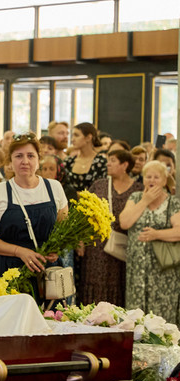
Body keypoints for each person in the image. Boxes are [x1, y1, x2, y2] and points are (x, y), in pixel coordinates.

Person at [0, 133, 68, 301]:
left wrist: (57, 249)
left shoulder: (54, 188)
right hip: (9, 271)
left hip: (47, 271)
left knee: (50, 322)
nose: (25, 161)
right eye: (19, 156)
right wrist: (19, 251)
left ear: (38, 159)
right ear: (10, 161)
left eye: (30, 155)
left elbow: (63, 230)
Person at [78, 150, 143, 307]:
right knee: (95, 283)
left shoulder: (139, 189)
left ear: (125, 165)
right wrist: (80, 240)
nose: (108, 163)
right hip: (96, 247)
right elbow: (83, 212)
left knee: (121, 283)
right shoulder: (99, 185)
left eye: (112, 160)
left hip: (125, 245)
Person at [120, 160, 180, 324]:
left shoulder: (173, 202)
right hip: (137, 269)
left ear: (164, 179)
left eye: (156, 177)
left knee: (162, 315)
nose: (152, 180)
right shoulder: (136, 197)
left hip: (163, 270)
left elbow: (178, 231)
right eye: (148, 177)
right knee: (136, 315)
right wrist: (145, 201)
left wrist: (157, 234)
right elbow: (124, 222)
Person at [63, 122, 107, 194]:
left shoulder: (100, 162)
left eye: (76, 135)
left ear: (88, 137)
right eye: (72, 135)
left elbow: (101, 190)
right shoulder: (68, 161)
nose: (72, 139)